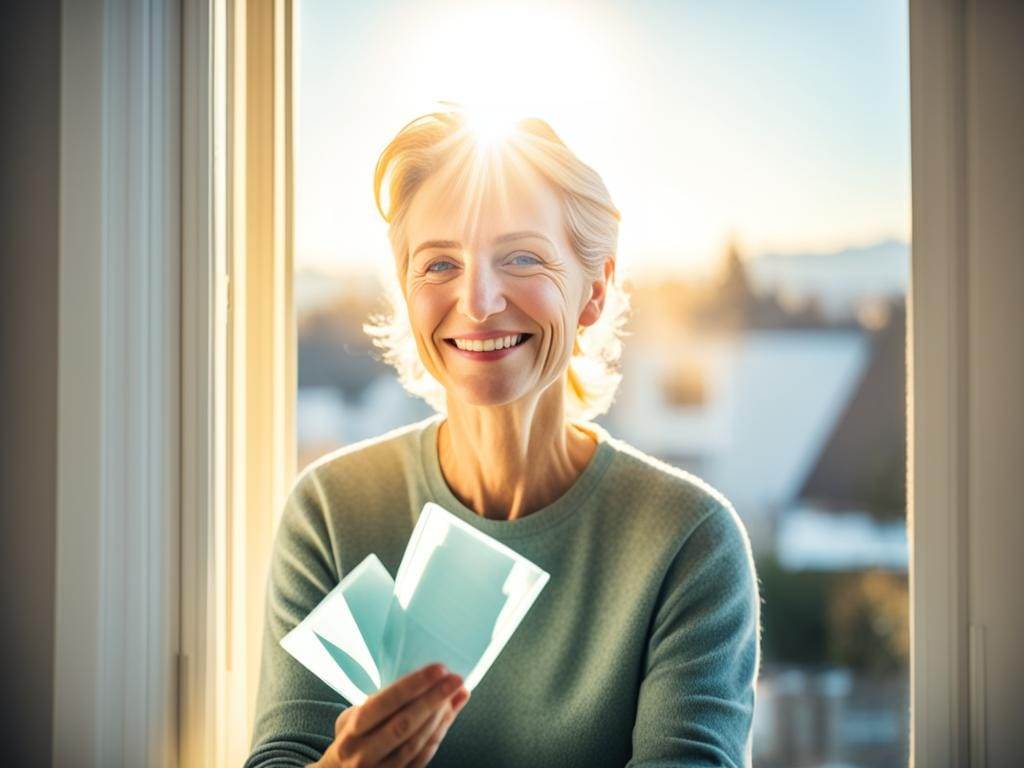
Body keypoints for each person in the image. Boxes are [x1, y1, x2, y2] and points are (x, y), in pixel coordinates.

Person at [246, 107, 761, 768]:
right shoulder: (333, 514)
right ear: (407, 295)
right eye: (437, 266)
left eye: (521, 257)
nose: (479, 300)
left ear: (594, 290)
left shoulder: (686, 543)